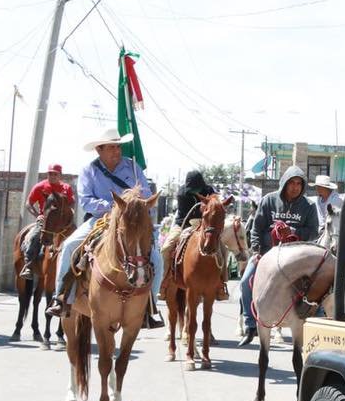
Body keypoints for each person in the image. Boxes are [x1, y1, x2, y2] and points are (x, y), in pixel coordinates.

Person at [47, 127, 163, 328]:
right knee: (68, 246)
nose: (117, 151)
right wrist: (112, 207)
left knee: (156, 257)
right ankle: (62, 297)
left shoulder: (133, 168)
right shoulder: (88, 171)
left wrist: (134, 206)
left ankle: (150, 307)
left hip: (131, 222)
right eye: (111, 148)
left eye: (118, 147)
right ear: (99, 150)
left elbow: (144, 194)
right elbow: (86, 201)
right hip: (100, 220)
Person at [239, 165, 318, 345]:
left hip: (297, 257)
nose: (295, 187)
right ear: (284, 183)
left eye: (299, 183)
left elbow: (313, 232)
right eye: (292, 183)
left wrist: (293, 230)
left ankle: (316, 326)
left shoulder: (309, 206)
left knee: (319, 286)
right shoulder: (268, 201)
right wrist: (258, 251)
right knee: (245, 282)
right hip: (268, 255)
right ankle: (250, 325)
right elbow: (256, 229)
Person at [164, 170, 228, 302]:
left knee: (223, 249)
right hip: (184, 223)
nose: (196, 191)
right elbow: (185, 214)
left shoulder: (209, 190)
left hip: (205, 225)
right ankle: (164, 281)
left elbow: (214, 208)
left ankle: (222, 284)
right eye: (193, 189)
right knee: (166, 247)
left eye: (198, 188)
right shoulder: (182, 193)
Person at [21, 164, 76, 281]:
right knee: (35, 237)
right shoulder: (40, 187)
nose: (52, 176)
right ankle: (29, 265)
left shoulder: (66, 188)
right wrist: (38, 215)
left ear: (60, 175)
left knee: (77, 237)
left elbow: (72, 202)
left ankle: (78, 264)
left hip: (63, 223)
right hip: (46, 221)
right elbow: (28, 203)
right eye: (50, 174)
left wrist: (68, 212)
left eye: (55, 174)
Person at [312, 175, 341, 249]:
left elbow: (335, 218)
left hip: (335, 229)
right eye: (317, 187)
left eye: (319, 187)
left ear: (326, 188)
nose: (317, 189)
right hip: (321, 228)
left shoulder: (336, 200)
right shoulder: (318, 199)